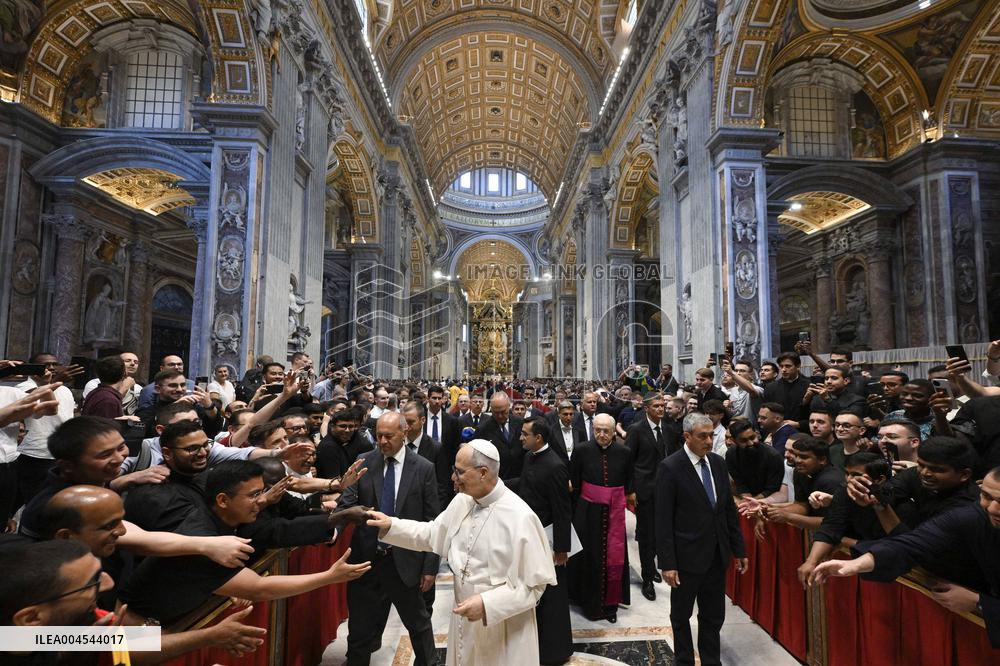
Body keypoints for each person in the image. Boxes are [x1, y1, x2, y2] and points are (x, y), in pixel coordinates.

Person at [366, 439, 556, 666]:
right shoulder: (463, 501)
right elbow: (432, 533)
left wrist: (487, 604)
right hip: (464, 620)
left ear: (483, 472)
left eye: (459, 472)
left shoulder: (521, 517)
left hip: (503, 626)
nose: (453, 478)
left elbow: (534, 587)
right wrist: (391, 526)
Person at [120, 460, 371, 625]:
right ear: (222, 500)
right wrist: (328, 576)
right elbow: (258, 589)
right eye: (254, 495)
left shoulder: (217, 516)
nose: (263, 500)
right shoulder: (204, 541)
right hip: (138, 628)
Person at [807, 466, 1000, 647]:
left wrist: (980, 603)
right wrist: (858, 564)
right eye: (986, 496)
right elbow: (913, 543)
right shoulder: (973, 514)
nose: (991, 508)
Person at [336, 412, 440, 666]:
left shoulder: (424, 468)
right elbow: (345, 505)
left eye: (389, 436)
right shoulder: (363, 462)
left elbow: (433, 522)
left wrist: (430, 567)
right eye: (379, 435)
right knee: (359, 630)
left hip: (404, 560)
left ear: (404, 434)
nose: (382, 441)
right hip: (366, 560)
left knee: (419, 625)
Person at [656, 412, 747, 666]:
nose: (708, 441)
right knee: (681, 616)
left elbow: (728, 510)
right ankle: (684, 661)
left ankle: (710, 661)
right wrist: (668, 562)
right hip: (685, 558)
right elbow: (662, 519)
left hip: (717, 556)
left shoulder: (718, 463)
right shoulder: (671, 467)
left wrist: (739, 549)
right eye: (702, 436)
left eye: (711, 435)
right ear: (687, 437)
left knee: (713, 616)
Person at [517, 417, 572, 664]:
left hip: (549, 540)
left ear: (538, 438)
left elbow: (563, 510)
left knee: (553, 595)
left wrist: (562, 548)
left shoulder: (555, 465)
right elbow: (525, 484)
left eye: (524, 434)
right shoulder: (530, 456)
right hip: (531, 535)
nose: (521, 438)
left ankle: (555, 651)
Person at [569, 413, 635, 622]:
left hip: (614, 512)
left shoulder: (624, 452)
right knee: (588, 557)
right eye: (597, 429)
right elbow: (575, 482)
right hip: (587, 512)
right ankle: (587, 602)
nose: (601, 434)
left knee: (612, 558)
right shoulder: (582, 450)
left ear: (614, 431)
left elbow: (629, 480)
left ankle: (610, 605)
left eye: (606, 430)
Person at [625, 392, 668, 600]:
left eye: (663, 406)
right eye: (657, 406)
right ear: (647, 408)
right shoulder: (636, 430)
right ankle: (647, 578)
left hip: (665, 489)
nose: (661, 409)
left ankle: (653, 568)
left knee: (661, 533)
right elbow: (628, 461)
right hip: (645, 490)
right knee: (646, 535)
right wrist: (631, 490)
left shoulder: (668, 428)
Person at [474, 391, 524, 480]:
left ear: (509, 406)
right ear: (491, 409)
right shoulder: (482, 429)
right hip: (496, 480)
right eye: (496, 413)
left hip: (520, 478)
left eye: (503, 411)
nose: (500, 416)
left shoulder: (521, 423)